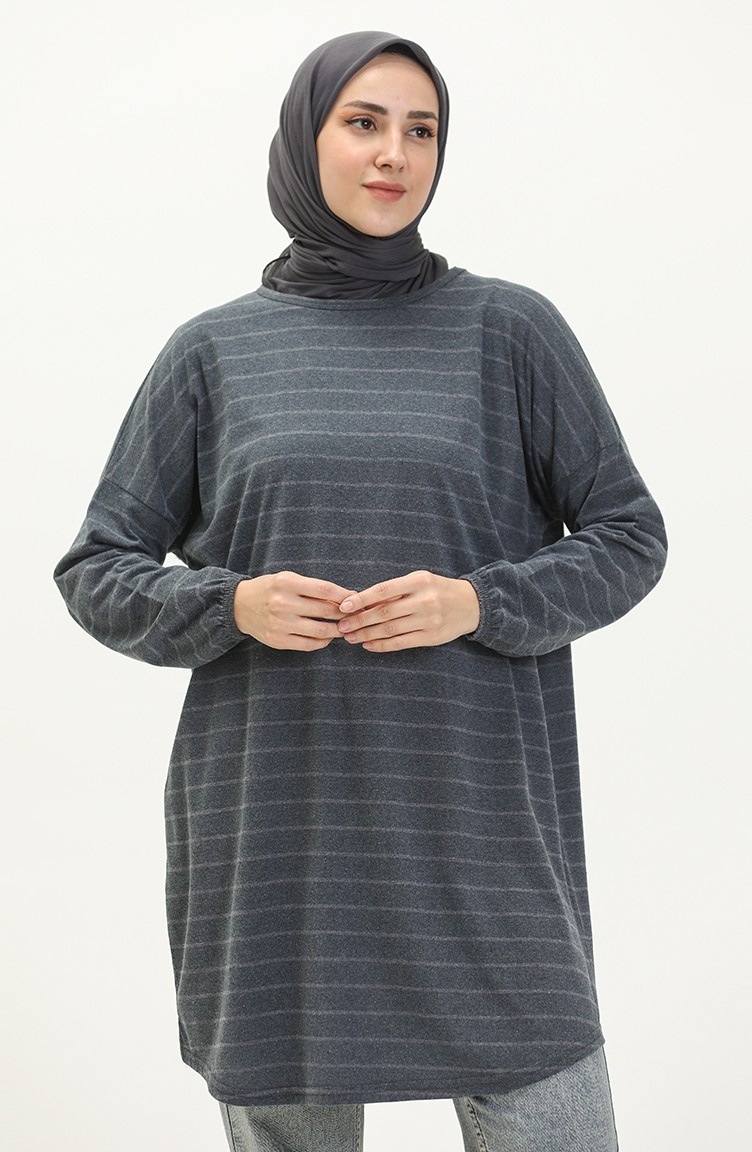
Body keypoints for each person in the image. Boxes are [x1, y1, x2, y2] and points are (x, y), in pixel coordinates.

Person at [53, 29, 667, 1152]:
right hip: (281, 838)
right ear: (306, 139)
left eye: (421, 131)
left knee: (551, 1108)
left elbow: (629, 537)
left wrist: (478, 603)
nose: (395, 154)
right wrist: (229, 605)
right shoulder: (214, 352)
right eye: (364, 123)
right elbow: (97, 566)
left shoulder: (509, 331)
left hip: (479, 830)